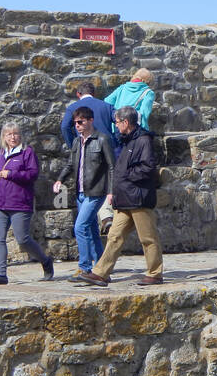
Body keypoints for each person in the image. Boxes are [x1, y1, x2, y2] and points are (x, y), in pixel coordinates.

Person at [80, 107, 164, 286]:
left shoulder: (143, 141)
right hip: (125, 198)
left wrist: (126, 176)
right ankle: (101, 272)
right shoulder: (128, 141)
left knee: (148, 238)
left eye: (117, 122)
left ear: (126, 122)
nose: (116, 126)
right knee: (114, 236)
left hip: (139, 198)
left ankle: (155, 273)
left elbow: (147, 168)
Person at [0, 120, 54, 285]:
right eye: (9, 134)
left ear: (20, 136)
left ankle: (45, 260)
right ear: (4, 137)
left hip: (20, 203)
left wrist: (12, 174)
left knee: (22, 239)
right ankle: (1, 274)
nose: (12, 137)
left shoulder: (27, 153)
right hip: (0, 204)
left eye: (15, 134)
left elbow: (33, 174)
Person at [53, 105, 115, 283]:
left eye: (81, 122)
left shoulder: (102, 139)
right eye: (75, 123)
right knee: (92, 230)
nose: (77, 126)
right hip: (81, 192)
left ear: (90, 121)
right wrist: (60, 180)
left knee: (80, 227)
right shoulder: (76, 142)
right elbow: (71, 165)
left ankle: (84, 267)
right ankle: (102, 270)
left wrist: (111, 191)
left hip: (96, 191)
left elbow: (112, 167)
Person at [104, 69, 156, 152]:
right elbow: (144, 114)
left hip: (118, 126)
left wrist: (116, 117)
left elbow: (107, 101)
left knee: (119, 155)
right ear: (148, 80)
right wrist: (145, 133)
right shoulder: (148, 93)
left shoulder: (122, 88)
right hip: (133, 128)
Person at [61, 80, 115, 148]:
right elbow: (120, 121)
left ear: (78, 94)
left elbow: (65, 127)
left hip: (85, 147)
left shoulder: (72, 108)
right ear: (94, 93)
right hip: (108, 146)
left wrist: (73, 146)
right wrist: (116, 140)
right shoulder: (107, 106)